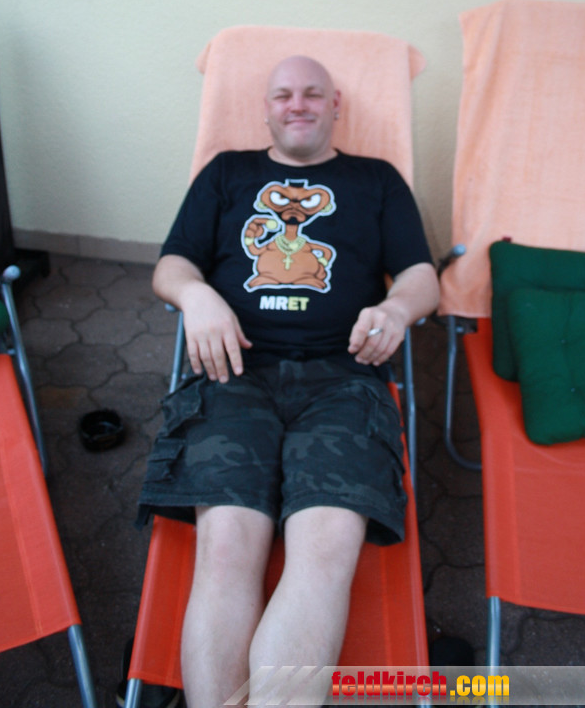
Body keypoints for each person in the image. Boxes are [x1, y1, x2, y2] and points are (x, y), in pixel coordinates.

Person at [137, 55, 440, 708]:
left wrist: (395, 310)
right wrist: (195, 296)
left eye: (312, 93)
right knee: (225, 548)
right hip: (233, 372)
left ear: (336, 106)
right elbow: (171, 265)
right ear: (267, 109)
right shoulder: (227, 172)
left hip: (345, 379)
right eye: (282, 95)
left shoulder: (375, 180)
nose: (297, 104)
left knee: (326, 553)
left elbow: (421, 275)